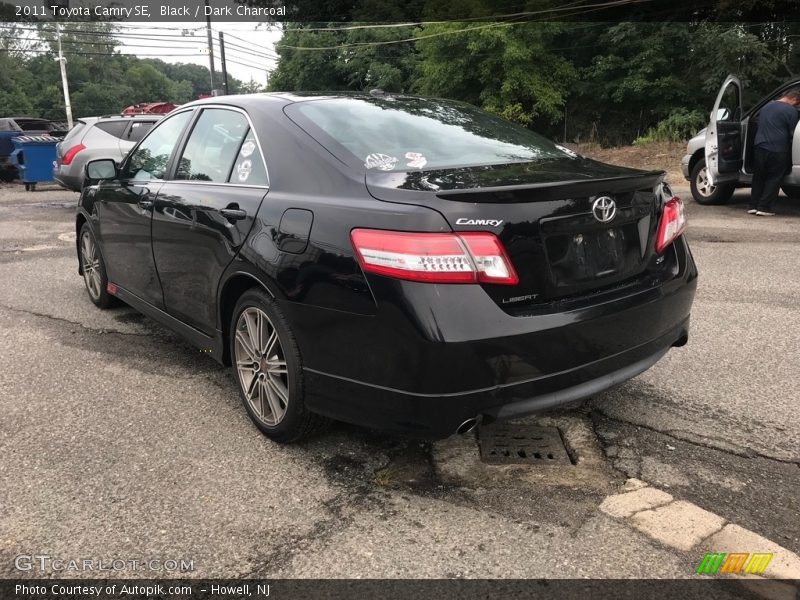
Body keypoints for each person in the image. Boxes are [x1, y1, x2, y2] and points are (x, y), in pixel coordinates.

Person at [748, 87, 800, 216]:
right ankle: (764, 207)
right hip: (777, 149)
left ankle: (753, 206)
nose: (796, 105)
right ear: (794, 99)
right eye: (797, 103)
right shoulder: (791, 110)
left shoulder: (766, 107)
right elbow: (794, 131)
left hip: (759, 146)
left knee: (758, 177)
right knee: (774, 178)